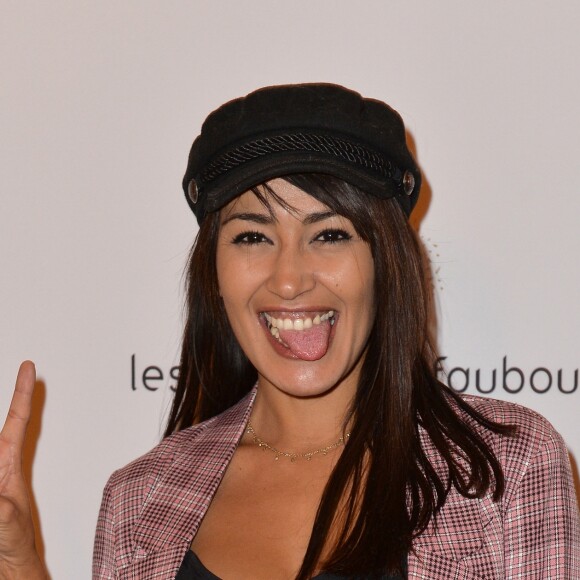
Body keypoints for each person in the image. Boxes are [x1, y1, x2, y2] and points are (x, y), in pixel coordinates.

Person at [2, 84, 579, 579]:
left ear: (385, 262)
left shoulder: (505, 468)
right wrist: (22, 567)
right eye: (252, 237)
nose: (287, 279)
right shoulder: (140, 497)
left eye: (329, 234)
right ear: (215, 274)